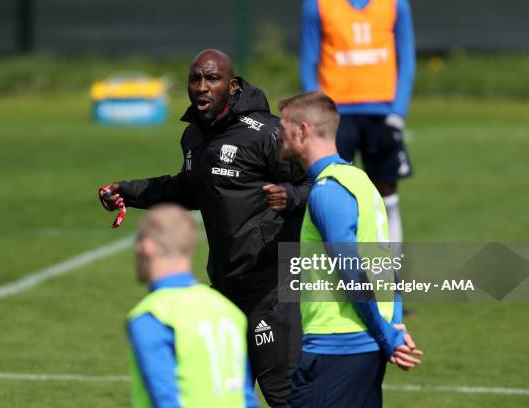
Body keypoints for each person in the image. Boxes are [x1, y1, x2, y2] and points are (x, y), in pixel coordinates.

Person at [100, 49, 310, 407]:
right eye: (195, 79)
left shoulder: (269, 134)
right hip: (226, 289)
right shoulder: (195, 138)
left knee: (284, 396)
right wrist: (129, 191)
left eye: (211, 79)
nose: (201, 87)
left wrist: (290, 196)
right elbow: (188, 188)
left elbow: (320, 183)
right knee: (224, 395)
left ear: (232, 85)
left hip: (272, 289)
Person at [277, 91, 423, 407]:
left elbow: (353, 272)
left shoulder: (328, 191)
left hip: (336, 349)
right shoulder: (361, 182)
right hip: (364, 346)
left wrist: (388, 336)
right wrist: (395, 325)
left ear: (303, 130)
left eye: (284, 128)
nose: (278, 136)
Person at [300, 0, 416, 248]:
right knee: (331, 194)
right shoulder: (317, 5)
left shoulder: (396, 5)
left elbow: (407, 59)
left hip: (383, 116)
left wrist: (397, 113)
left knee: (389, 199)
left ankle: (391, 276)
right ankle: (336, 275)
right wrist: (318, 111)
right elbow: (309, 61)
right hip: (335, 115)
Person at [126, 204, 257, 407]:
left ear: (147, 247)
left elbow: (166, 400)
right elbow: (246, 396)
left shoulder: (152, 317)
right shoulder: (228, 310)